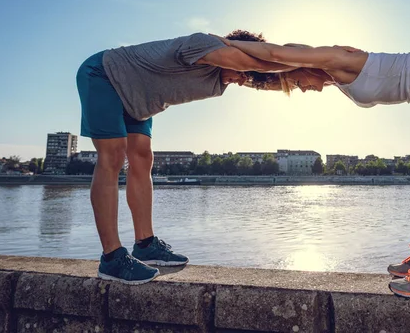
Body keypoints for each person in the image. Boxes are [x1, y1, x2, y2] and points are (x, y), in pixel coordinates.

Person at [213, 35, 410, 298]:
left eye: (297, 82)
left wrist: (222, 44)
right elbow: (271, 75)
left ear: (300, 64)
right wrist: (240, 78)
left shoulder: (337, 58)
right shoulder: (335, 78)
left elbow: (273, 53)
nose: (304, 89)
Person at [76, 31, 294, 284]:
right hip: (106, 75)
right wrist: (316, 58)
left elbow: (270, 80)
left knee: (143, 158)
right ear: (237, 52)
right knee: (113, 155)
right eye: (241, 72)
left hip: (139, 99)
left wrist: (331, 74)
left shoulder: (223, 73)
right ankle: (111, 257)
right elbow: (256, 62)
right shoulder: (203, 44)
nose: (240, 80)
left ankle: (145, 244)